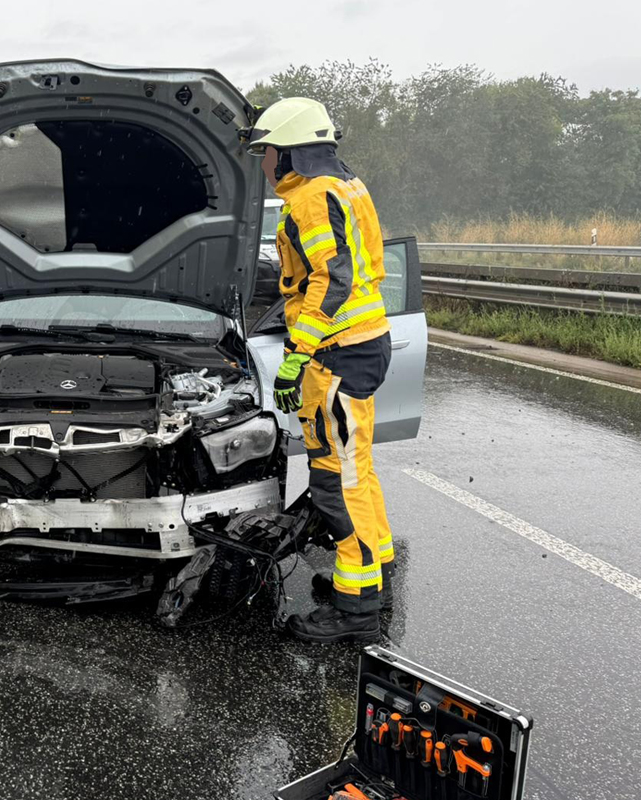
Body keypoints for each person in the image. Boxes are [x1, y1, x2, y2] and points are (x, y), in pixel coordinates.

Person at [246, 98, 395, 643]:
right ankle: (373, 575)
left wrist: (296, 355)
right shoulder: (345, 185)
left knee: (336, 483)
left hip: (337, 353)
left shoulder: (311, 197)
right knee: (359, 471)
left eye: (268, 152)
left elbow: (331, 280)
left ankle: (356, 612)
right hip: (363, 343)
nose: (265, 163)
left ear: (290, 152)